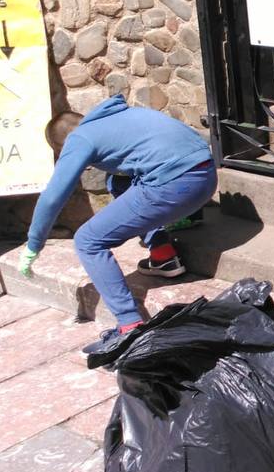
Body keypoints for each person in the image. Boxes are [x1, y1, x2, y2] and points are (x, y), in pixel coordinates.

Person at [19, 94, 216, 335]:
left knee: (88, 241)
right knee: (117, 180)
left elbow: (53, 197)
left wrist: (34, 244)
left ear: (63, 147)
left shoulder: (78, 139)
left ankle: (130, 325)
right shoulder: (119, 116)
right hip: (206, 175)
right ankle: (163, 255)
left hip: (174, 186)